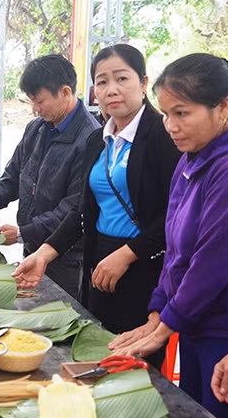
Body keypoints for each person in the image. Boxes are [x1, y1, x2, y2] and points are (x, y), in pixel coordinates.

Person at [110, 53, 228, 418]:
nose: (170, 126)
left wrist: (165, 327)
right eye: (166, 113)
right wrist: (159, 311)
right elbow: (176, 249)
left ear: (223, 108)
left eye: (182, 113)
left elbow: (211, 265)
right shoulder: (192, 160)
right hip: (194, 324)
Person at [11, 45, 181, 367]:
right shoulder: (98, 140)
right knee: (97, 354)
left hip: (144, 267)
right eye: (101, 82)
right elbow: (83, 214)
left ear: (143, 83)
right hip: (99, 261)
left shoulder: (163, 136)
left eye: (121, 78)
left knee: (134, 365)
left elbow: (175, 217)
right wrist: (44, 254)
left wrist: (127, 253)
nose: (110, 89)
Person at [0, 54, 99, 296]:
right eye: (31, 101)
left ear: (66, 92)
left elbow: (73, 208)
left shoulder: (90, 139)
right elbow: (14, 173)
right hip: (32, 249)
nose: (34, 109)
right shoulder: (36, 129)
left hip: (66, 258)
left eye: (39, 101)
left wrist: (22, 233)